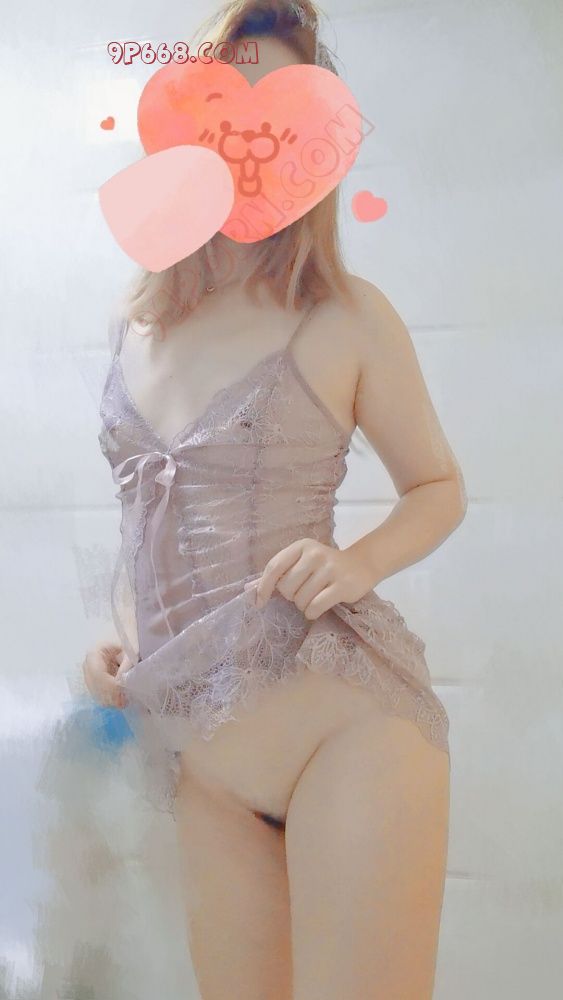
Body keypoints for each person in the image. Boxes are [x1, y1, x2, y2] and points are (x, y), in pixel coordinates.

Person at [82, 2, 467, 997]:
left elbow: (437, 486)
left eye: (277, 108)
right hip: (195, 755)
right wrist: (119, 635)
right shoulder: (132, 324)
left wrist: (357, 561)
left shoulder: (346, 316)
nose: (245, 132)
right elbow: (143, 516)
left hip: (340, 734)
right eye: (222, 99)